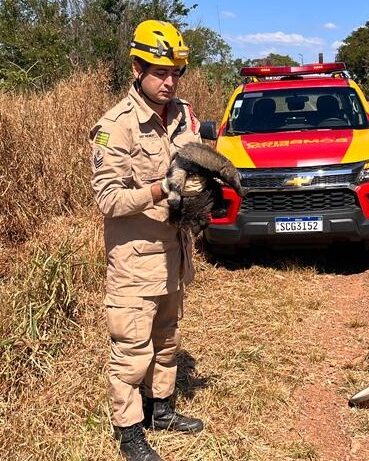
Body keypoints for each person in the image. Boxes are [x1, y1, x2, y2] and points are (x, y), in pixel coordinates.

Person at [90, 20, 204, 461]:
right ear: (136, 68)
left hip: (174, 255)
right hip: (135, 261)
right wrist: (161, 188)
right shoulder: (115, 126)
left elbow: (193, 165)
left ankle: (161, 410)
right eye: (159, 72)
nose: (169, 81)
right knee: (132, 351)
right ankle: (129, 431)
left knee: (168, 340)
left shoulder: (181, 115)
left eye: (175, 72)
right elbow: (108, 199)